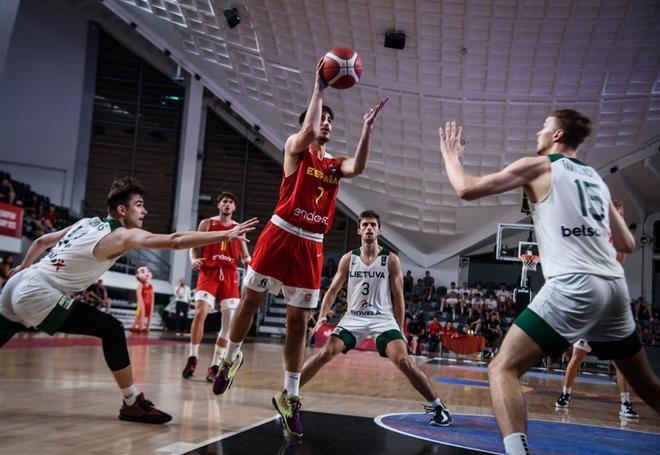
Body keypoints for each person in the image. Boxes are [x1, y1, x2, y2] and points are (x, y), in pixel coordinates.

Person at [440, 110, 660, 455]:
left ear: (557, 135)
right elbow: (628, 245)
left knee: (502, 367)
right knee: (647, 386)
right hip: (614, 287)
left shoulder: (540, 165)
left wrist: (451, 156)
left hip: (575, 284)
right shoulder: (595, 178)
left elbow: (466, 189)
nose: (538, 132)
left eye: (544, 126)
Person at [213, 58, 388, 438]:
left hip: (310, 245)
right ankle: (229, 359)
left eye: (330, 120)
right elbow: (306, 130)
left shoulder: (333, 165)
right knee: (249, 302)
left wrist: (366, 128)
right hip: (280, 234)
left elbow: (358, 166)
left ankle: (290, 397)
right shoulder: (296, 148)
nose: (325, 123)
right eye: (320, 119)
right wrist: (319, 88)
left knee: (296, 323)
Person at [0, 176, 257, 424]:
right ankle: (132, 403)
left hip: (17, 284)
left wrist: (23, 266)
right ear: (122, 210)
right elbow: (174, 240)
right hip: (37, 293)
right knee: (111, 329)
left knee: (7, 328)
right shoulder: (123, 235)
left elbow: (43, 240)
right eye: (139, 205)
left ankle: (132, 402)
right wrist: (223, 236)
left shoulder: (87, 222)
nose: (144, 211)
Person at [302, 210, 452, 427]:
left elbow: (398, 297)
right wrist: (323, 315)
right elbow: (333, 290)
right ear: (359, 230)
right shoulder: (349, 258)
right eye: (365, 225)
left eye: (373, 225)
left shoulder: (391, 260)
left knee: (404, 361)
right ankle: (289, 395)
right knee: (326, 352)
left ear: (379, 230)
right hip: (353, 316)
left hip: (383, 318)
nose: (369, 228)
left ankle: (439, 406)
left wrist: (400, 329)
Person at [182, 192, 251, 384]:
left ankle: (214, 366)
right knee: (200, 312)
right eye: (224, 201)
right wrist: (193, 259)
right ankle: (192, 358)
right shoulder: (207, 224)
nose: (227, 204)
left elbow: (245, 256)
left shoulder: (239, 228)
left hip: (230, 276)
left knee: (228, 324)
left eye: (231, 202)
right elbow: (192, 244)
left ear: (234, 208)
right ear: (219, 205)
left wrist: (252, 271)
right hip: (209, 272)